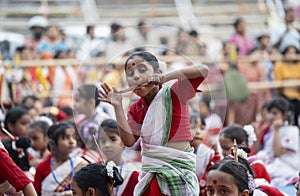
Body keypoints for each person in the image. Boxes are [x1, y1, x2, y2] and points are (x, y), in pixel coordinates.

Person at [99, 51, 208, 195]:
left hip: (179, 173)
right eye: (130, 74)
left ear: (157, 72)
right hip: (151, 175)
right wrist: (117, 106)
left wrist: (166, 77)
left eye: (142, 70)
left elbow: (203, 70)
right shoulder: (135, 109)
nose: (136, 76)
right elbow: (129, 141)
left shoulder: (175, 93)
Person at [33, 122, 88, 196]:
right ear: (52, 144)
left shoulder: (81, 164)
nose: (72, 141)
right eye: (66, 138)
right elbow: (36, 193)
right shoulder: (42, 167)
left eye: (74, 137)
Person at [256, 97, 300, 186]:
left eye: (275, 113)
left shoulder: (292, 130)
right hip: (272, 165)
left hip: (286, 168)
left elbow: (277, 152)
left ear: (284, 115)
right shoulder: (269, 131)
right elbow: (257, 151)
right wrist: (258, 134)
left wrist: (276, 130)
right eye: (270, 113)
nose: (271, 116)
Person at [99, 119, 139, 196]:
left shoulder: (132, 174)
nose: (107, 145)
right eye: (103, 141)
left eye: (112, 139)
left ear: (123, 142)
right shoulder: (95, 170)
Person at [273, 43, 300, 126]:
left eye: (293, 53)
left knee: (296, 108)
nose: (291, 55)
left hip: (297, 95)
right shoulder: (279, 65)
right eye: (289, 52)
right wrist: (290, 84)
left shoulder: (298, 65)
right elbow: (278, 83)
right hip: (284, 94)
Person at [1, 107, 32, 172]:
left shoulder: (22, 140)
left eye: (30, 123)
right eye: (24, 123)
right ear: (11, 126)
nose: (28, 127)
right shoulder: (4, 142)